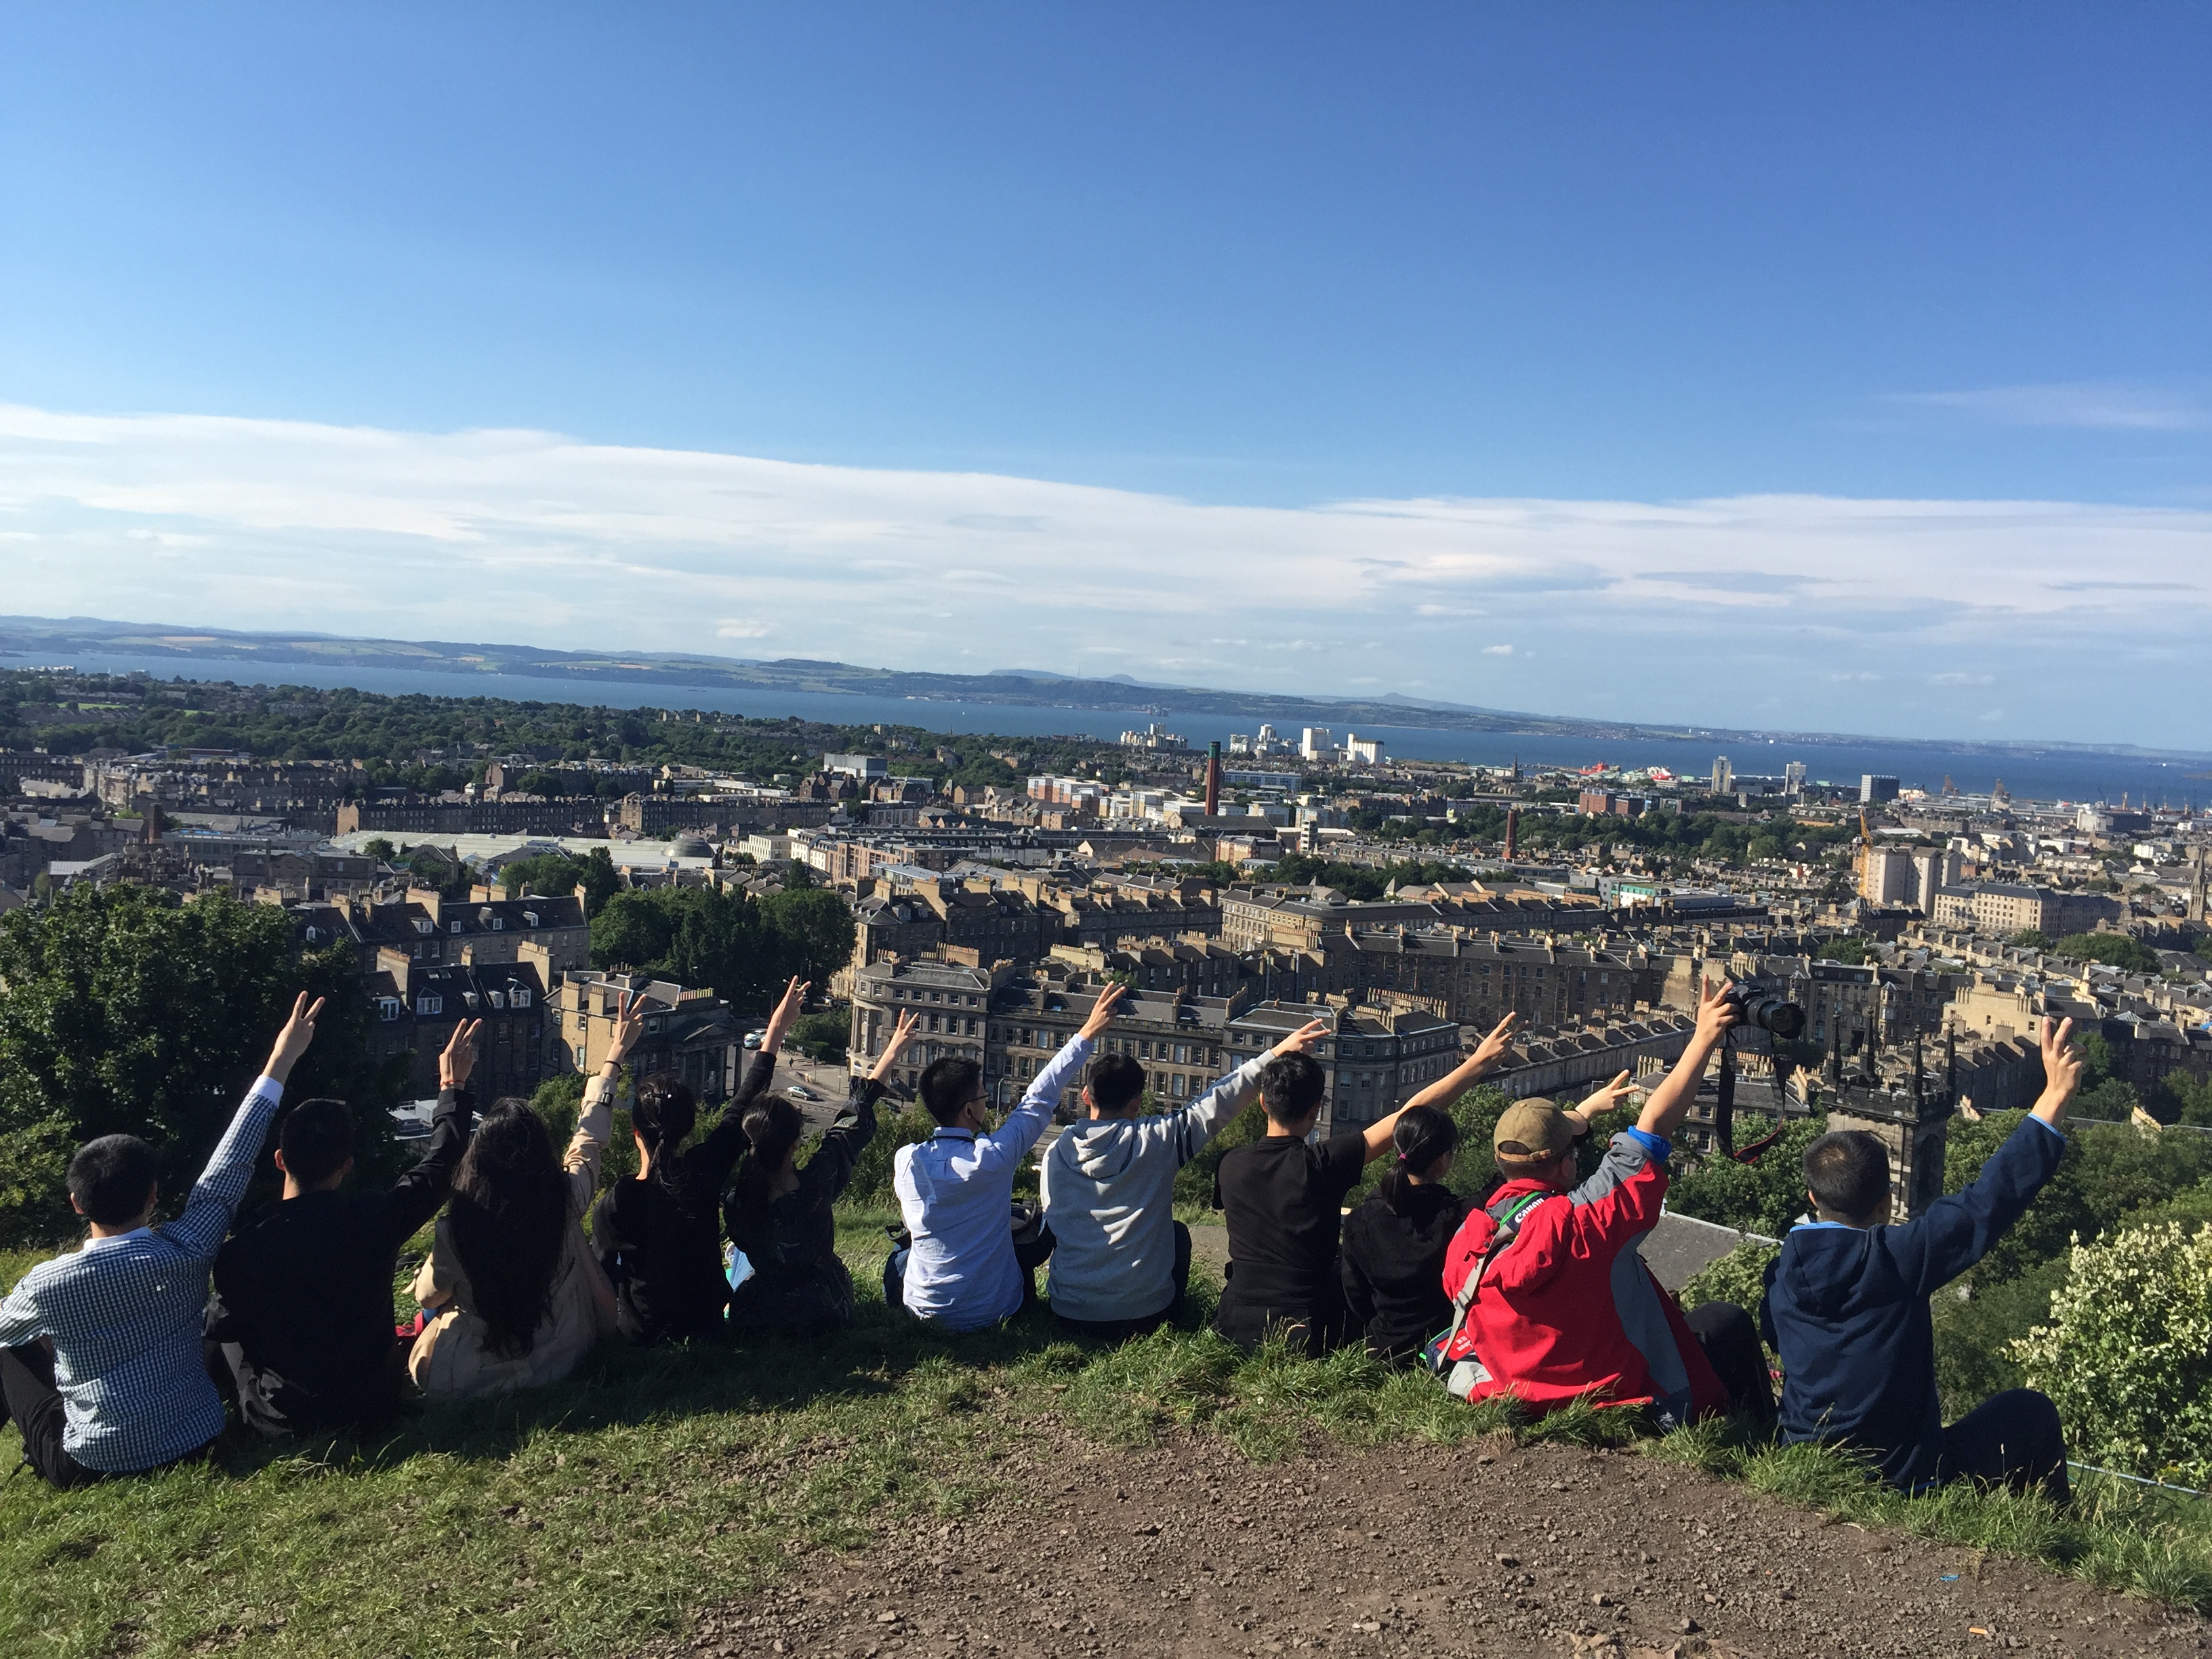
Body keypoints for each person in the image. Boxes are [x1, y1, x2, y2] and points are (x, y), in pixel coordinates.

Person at [0, 994, 323, 1486]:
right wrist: (281, 1061)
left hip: (94, 1462)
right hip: (197, 1438)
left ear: (76, 1203)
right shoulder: (189, 1248)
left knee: (8, 1346)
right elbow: (230, 1166)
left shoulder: (46, 1285)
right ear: (153, 1196)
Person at [1761, 1015, 2083, 1498]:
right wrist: (2054, 1096)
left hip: (1806, 1459)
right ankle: (2050, 1532)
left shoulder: (1781, 1271)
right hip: (1903, 1476)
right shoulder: (1900, 1258)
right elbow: (1988, 1201)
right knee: (2030, 1412)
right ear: (1886, 1203)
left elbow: (1775, 1336)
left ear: (1813, 1196)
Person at [1435, 978, 1774, 1429]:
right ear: (1565, 1164)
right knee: (1724, 1321)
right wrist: (1705, 1037)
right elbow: (1653, 1127)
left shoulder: (1468, 1240)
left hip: (1520, 1395)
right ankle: (1761, 1438)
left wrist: (1583, 1115)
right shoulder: (1588, 1222)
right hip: (1619, 1401)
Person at [205, 1019, 483, 1437]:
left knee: (215, 1322)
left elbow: (224, 1326)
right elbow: (440, 1165)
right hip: (373, 1404)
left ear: (280, 1159)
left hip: (285, 1418)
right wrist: (452, 1087)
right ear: (347, 1165)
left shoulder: (244, 1246)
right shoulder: (374, 1218)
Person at [1212, 1011, 1525, 1357]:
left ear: (1263, 1103)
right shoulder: (1323, 1164)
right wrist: (1478, 1063)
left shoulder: (1229, 1164)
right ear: (1316, 1109)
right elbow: (1409, 1114)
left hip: (1233, 1325)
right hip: (1309, 1332)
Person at [405, 992, 641, 1399]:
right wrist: (614, 1056)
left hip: (474, 1374)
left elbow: (429, 1295)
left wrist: (452, 1085)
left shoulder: (458, 1228)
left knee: (432, 1319)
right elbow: (587, 1142)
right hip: (559, 1357)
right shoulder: (563, 1199)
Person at [1043, 1012, 1330, 1340]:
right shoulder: (1156, 1140)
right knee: (1178, 1233)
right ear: (1136, 1103)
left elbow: (1054, 1221)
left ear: (1085, 1095)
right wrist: (1275, 1053)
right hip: (1145, 1315)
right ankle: (1165, 1309)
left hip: (1069, 1311)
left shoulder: (1055, 1153)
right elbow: (1218, 1102)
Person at [887, 984, 1128, 1331]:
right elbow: (1040, 1097)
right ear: (969, 1110)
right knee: (1024, 1233)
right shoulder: (993, 1156)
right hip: (993, 1310)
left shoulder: (907, 1161)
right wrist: (1087, 1033)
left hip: (923, 1311)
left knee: (900, 1255)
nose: (986, 1103)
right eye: (983, 1097)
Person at [592, 977, 807, 1345]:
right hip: (707, 1325)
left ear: (635, 1131)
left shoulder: (620, 1200)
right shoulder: (704, 1169)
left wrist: (616, 1052)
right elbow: (744, 1100)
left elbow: (598, 1276)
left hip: (645, 1334)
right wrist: (775, 1029)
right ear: (690, 1124)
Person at [726, 1009, 920, 1333]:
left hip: (761, 1313)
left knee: (742, 1259)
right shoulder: (817, 1183)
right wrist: (892, 1052)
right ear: (796, 1143)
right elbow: (849, 1125)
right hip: (824, 1309)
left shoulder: (737, 1201)